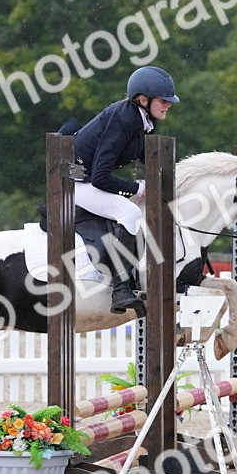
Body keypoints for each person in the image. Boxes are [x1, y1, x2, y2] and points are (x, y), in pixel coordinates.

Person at [70, 65, 178, 316]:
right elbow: (99, 178)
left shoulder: (143, 120)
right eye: (164, 101)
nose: (168, 105)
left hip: (87, 180)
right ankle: (120, 289)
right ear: (143, 99)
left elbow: (145, 159)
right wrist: (137, 188)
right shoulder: (124, 119)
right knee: (130, 214)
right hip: (77, 184)